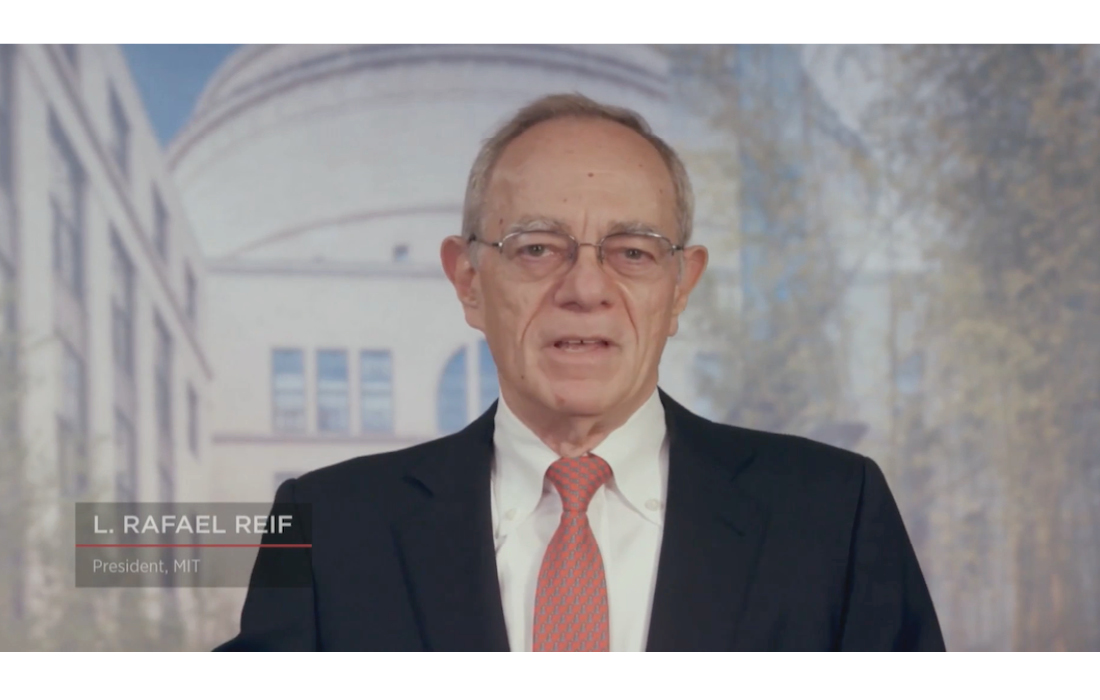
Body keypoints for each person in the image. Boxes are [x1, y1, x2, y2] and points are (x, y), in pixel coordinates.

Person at [215, 93, 945, 652]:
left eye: (633, 251)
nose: (586, 288)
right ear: (469, 281)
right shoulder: (331, 530)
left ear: (680, 288)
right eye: (537, 247)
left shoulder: (833, 515)